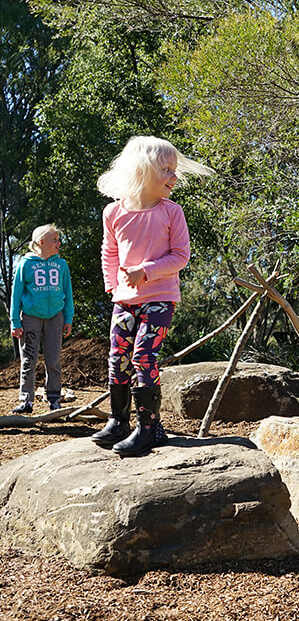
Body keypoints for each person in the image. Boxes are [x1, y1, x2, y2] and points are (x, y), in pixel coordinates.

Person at [90, 136, 213, 456]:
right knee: (117, 357)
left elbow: (181, 256)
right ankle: (118, 421)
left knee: (143, 356)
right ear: (143, 170)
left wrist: (145, 271)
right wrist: (112, 286)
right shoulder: (113, 212)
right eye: (166, 169)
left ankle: (149, 428)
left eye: (175, 169)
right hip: (124, 299)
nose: (174, 176)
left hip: (160, 296)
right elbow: (109, 252)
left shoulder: (172, 212)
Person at [8, 224, 74, 414]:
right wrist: (15, 321)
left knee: (53, 360)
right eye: (55, 240)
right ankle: (26, 400)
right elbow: (16, 294)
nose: (59, 243)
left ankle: (54, 399)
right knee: (28, 360)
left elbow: (68, 293)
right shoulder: (25, 264)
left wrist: (68, 318)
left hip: (55, 317)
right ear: (41, 242)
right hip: (30, 317)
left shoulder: (62, 265)